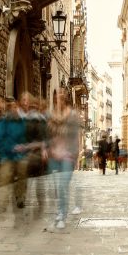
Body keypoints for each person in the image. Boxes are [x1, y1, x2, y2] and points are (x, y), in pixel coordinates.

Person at [47, 89, 81, 229]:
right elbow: (47, 135)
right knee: (57, 187)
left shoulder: (72, 115)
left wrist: (76, 154)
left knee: (62, 185)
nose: (60, 97)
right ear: (55, 98)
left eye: (62, 95)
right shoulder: (51, 115)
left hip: (68, 155)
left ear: (66, 98)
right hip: (54, 155)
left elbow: (76, 136)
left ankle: (62, 214)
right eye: (58, 95)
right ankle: (60, 210)